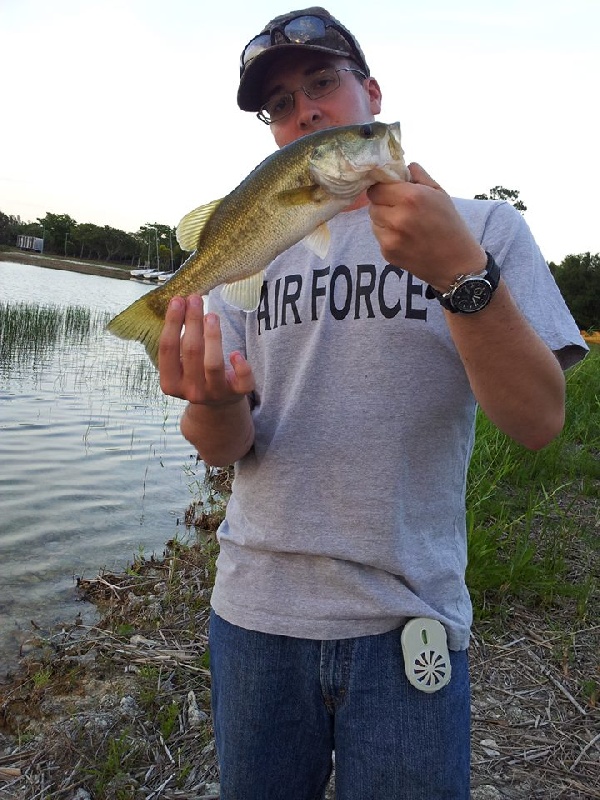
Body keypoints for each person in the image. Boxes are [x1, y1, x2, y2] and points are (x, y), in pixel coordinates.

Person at [158, 8, 588, 799]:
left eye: (324, 83)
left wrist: (464, 272)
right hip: (254, 613)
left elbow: (539, 421)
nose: (306, 109)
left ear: (371, 93)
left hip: (409, 622)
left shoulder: (487, 228)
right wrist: (213, 400)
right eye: (281, 105)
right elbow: (223, 445)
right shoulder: (252, 252)